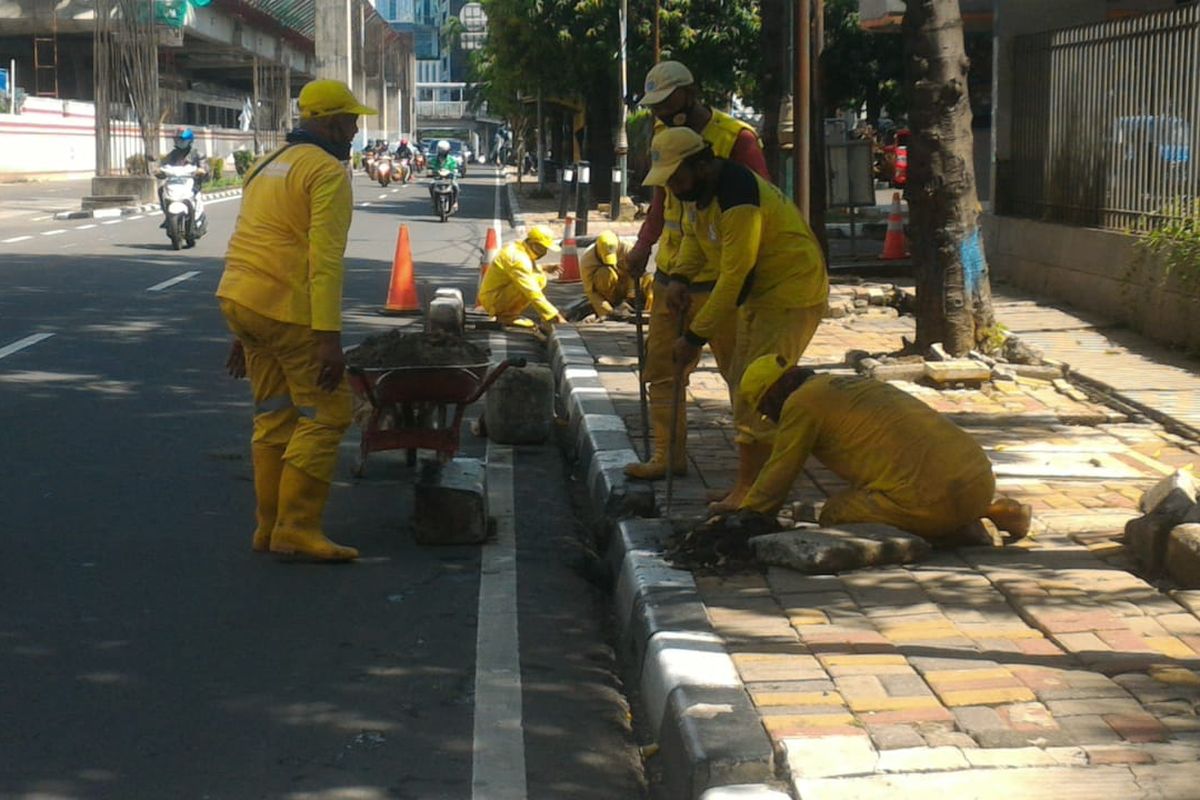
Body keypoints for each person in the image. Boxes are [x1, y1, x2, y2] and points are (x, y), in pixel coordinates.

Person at [216, 79, 376, 562]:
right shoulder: (326, 172)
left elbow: (250, 237)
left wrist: (241, 333)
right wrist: (329, 339)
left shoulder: (265, 165)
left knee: (274, 414)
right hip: (287, 310)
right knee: (329, 413)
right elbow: (324, 262)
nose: (354, 130)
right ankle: (298, 527)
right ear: (328, 123)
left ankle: (267, 527)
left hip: (242, 301)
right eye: (350, 121)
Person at [643, 126, 828, 513]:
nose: (674, 188)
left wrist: (693, 338)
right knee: (747, 384)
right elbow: (694, 239)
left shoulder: (738, 198)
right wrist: (679, 277)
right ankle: (751, 485)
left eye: (677, 178)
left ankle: (757, 493)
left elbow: (733, 277)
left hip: (791, 294)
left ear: (702, 164)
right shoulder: (700, 194)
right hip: (762, 294)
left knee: (757, 388)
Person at [624, 61, 769, 482]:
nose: (661, 113)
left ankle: (753, 474)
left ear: (689, 93)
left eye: (667, 103)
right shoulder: (661, 137)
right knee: (662, 371)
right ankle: (667, 456)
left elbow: (762, 203)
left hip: (724, 277)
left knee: (740, 376)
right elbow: (659, 204)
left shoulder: (735, 139)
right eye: (654, 106)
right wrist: (642, 247)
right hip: (674, 274)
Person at [732, 355, 1034, 543]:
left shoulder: (801, 405)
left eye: (765, 410)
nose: (770, 418)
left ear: (772, 396)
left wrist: (747, 516)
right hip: (978, 479)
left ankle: (954, 533)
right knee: (910, 486)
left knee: (835, 513)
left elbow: (780, 471)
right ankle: (997, 510)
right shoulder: (843, 384)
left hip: (931, 500)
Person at [478, 225, 567, 329]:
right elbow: (531, 291)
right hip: (493, 301)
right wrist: (555, 316)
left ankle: (509, 313)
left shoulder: (519, 248)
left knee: (538, 276)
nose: (544, 253)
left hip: (495, 295)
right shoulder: (518, 258)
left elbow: (518, 271)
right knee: (535, 279)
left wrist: (543, 267)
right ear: (533, 244)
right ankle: (506, 316)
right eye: (542, 248)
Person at [579, 230, 653, 322]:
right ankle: (613, 305)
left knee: (650, 280)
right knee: (605, 273)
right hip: (609, 293)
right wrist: (608, 312)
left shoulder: (628, 249)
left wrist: (630, 298)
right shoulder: (587, 261)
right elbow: (591, 292)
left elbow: (637, 273)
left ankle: (650, 313)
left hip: (628, 287)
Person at [157, 128, 207, 222]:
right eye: (176, 139)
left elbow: (204, 168)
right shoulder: (172, 155)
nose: (178, 142)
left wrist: (201, 170)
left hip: (191, 183)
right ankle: (168, 216)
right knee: (161, 190)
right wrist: (159, 171)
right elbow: (163, 166)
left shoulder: (197, 154)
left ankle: (197, 218)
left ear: (189, 141)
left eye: (181, 140)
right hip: (174, 183)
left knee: (196, 195)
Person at [427, 139, 460, 211]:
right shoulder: (434, 159)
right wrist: (432, 170)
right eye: (441, 151)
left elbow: (454, 167)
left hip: (449, 179)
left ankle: (455, 202)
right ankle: (433, 200)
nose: (443, 153)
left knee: (456, 186)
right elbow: (431, 166)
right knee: (431, 185)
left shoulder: (451, 159)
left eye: (444, 151)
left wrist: (454, 171)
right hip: (438, 179)